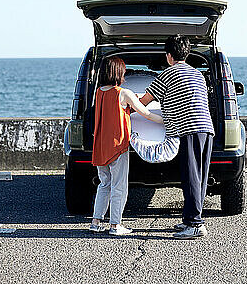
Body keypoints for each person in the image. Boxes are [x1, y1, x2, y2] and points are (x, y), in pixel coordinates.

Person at [139, 35, 215, 239]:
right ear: (187, 53)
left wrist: (122, 105)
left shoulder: (168, 74)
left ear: (168, 56)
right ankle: (191, 220)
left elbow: (144, 102)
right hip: (206, 129)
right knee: (200, 178)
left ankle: (196, 225)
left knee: (191, 177)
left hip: (189, 130)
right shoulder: (198, 74)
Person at [89, 56, 163, 235]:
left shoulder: (99, 92)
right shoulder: (123, 93)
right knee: (119, 186)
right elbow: (145, 113)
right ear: (119, 72)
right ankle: (115, 225)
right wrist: (165, 121)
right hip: (117, 146)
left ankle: (96, 222)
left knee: (104, 184)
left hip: (100, 146)